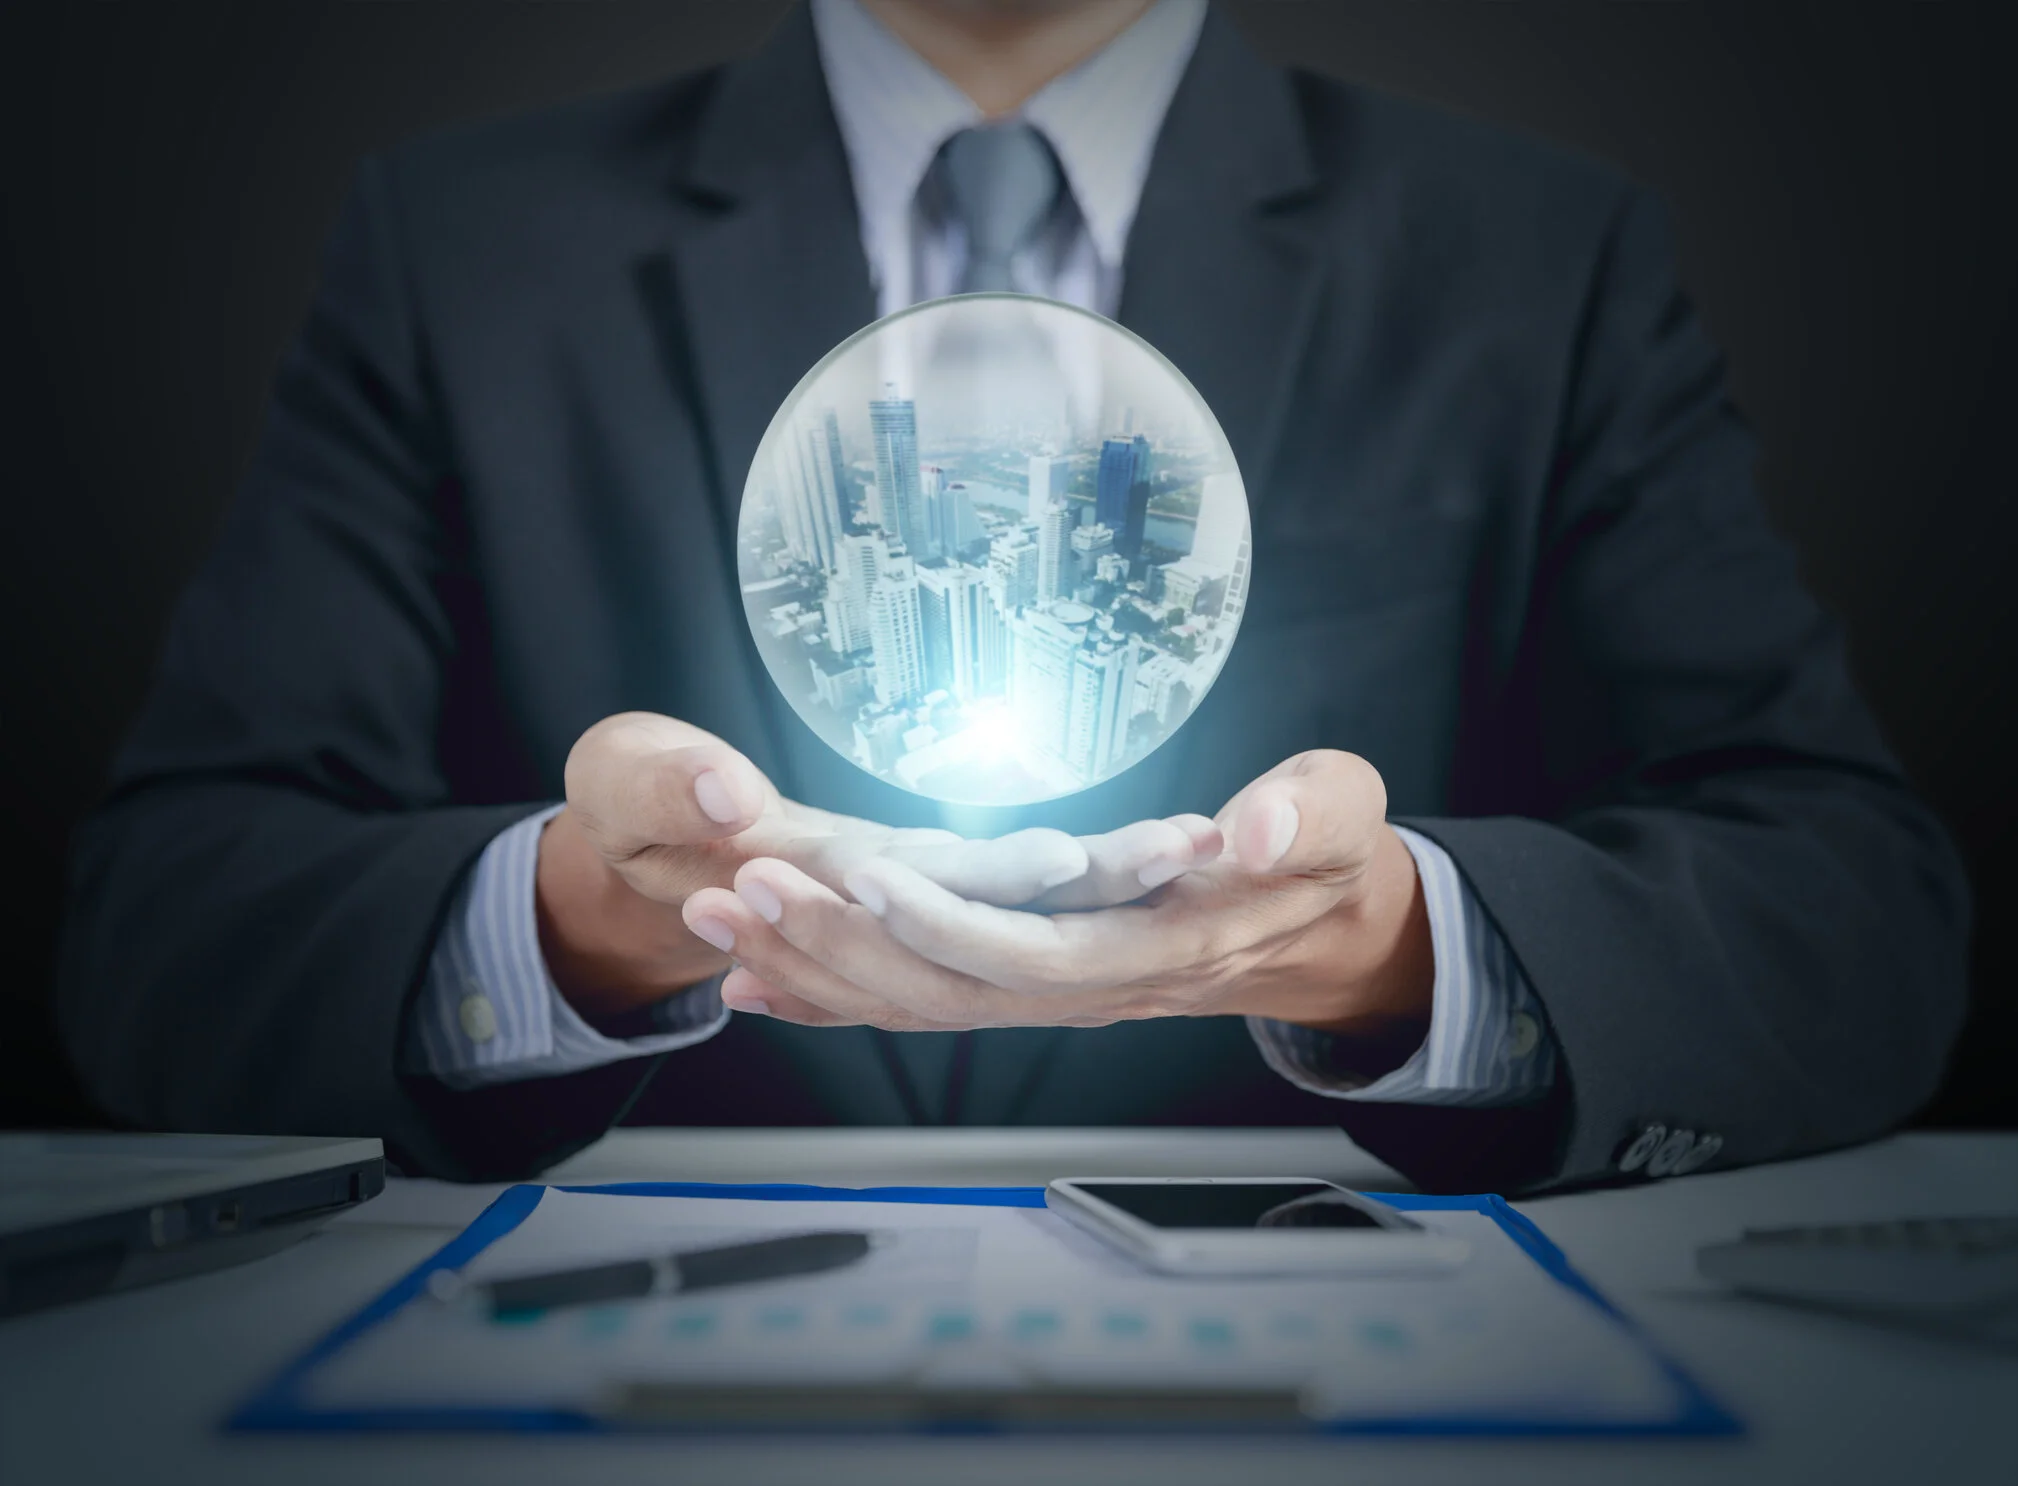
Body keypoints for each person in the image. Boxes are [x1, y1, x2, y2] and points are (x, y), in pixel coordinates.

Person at [56, 0, 1968, 1193]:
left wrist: (1395, 949)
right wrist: (567, 926)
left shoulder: (1532, 254)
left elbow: (1850, 905)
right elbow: (165, 926)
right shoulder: (464, 243)